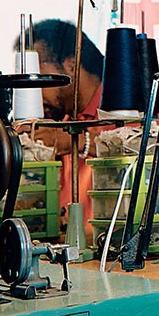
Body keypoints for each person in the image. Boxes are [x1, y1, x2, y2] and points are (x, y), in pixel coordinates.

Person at [17, 19, 105, 220]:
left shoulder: (135, 112)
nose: (33, 96)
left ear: (71, 66)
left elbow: (151, 154)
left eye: (38, 79)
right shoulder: (60, 124)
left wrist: (78, 141)